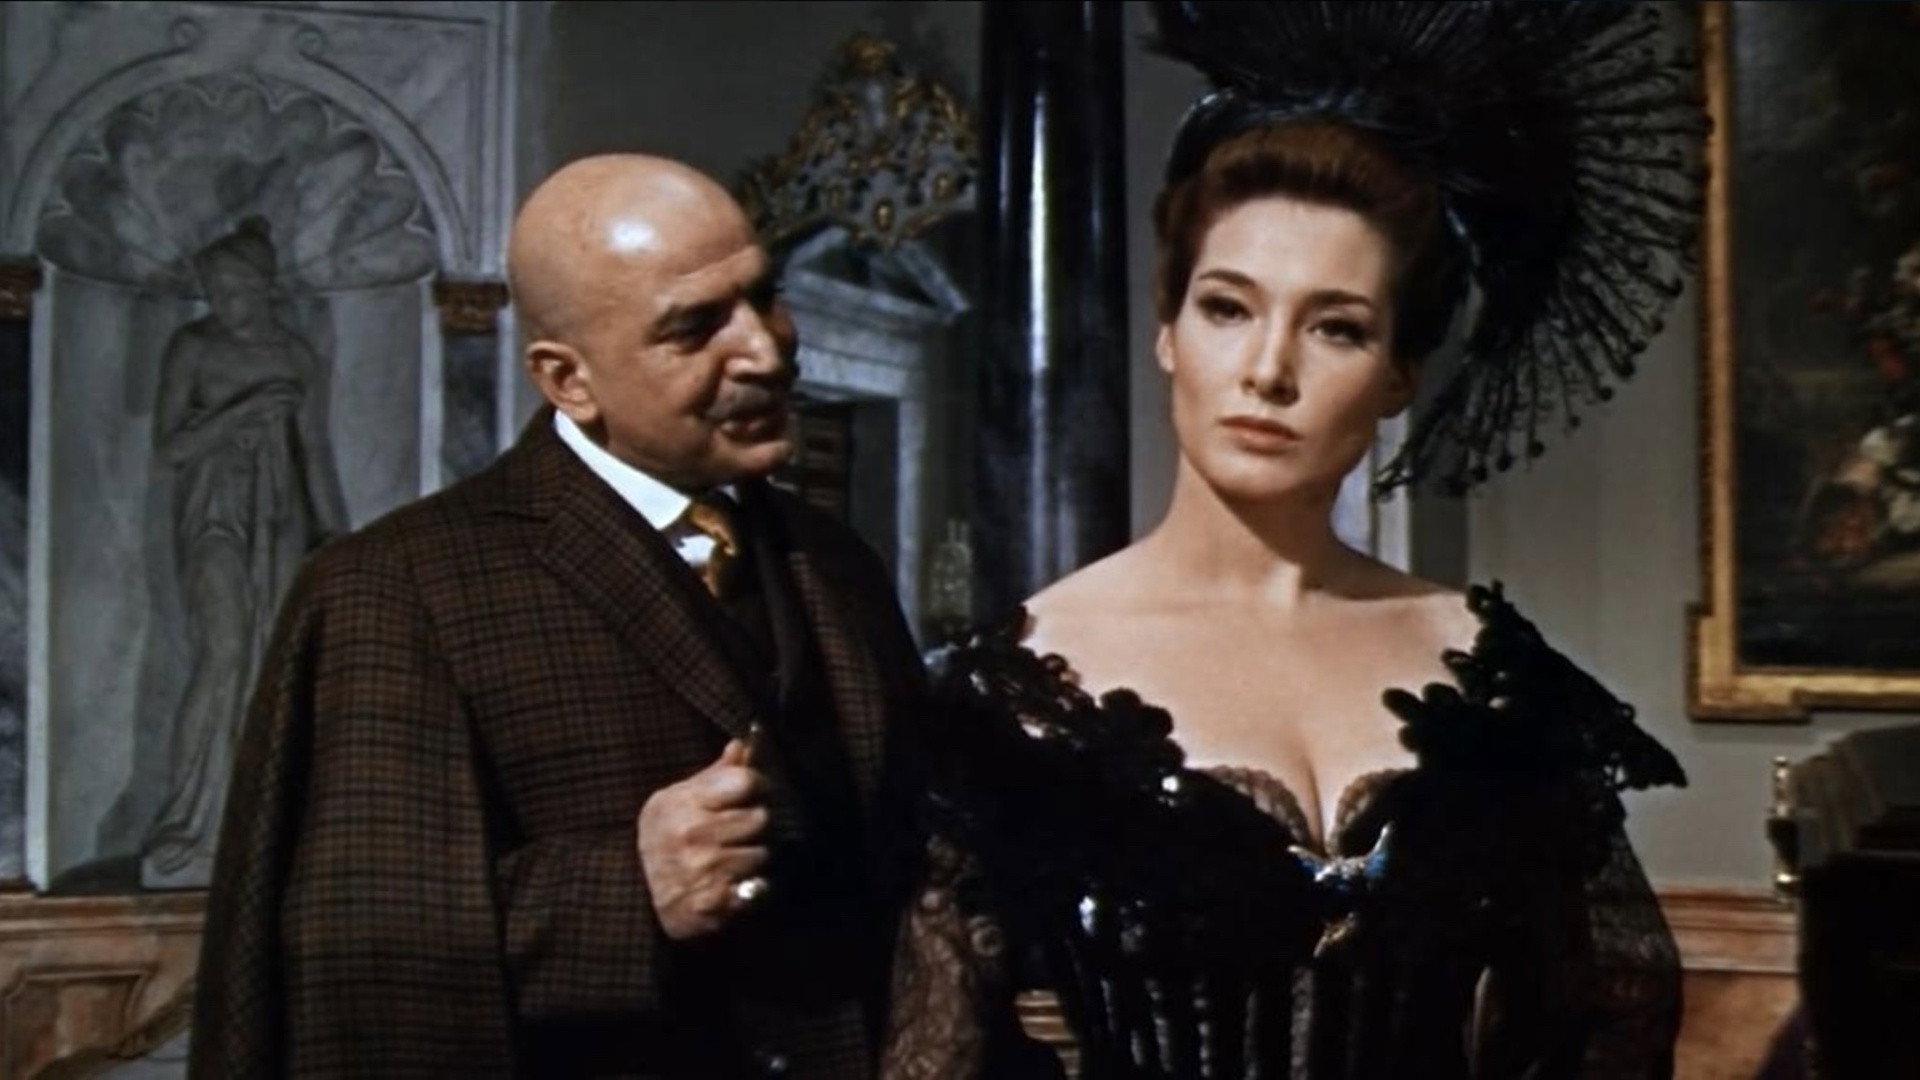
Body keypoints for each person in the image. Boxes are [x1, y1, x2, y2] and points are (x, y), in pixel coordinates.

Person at [901, 3, 1700, 1077]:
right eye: (1228, 308)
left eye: (1336, 327)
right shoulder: (1010, 694)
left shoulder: (1499, 676)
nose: (1269, 370)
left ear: (1398, 375)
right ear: (1168, 330)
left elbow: (1608, 1018)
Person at [191, 154, 978, 1078]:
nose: (766, 351)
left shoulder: (836, 561)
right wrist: (627, 891)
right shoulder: (393, 589)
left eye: (763, 297)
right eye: (696, 327)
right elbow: (354, 957)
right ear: (567, 380)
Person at [145, 217, 339, 887]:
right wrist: (244, 412)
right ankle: (189, 818)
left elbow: (315, 451)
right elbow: (170, 447)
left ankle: (266, 818)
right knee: (223, 652)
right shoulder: (194, 346)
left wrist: (334, 537)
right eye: (215, 291)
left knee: (273, 663)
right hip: (214, 516)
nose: (222, 304)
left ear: (262, 288)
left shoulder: (295, 355)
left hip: (279, 518)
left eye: (233, 291)